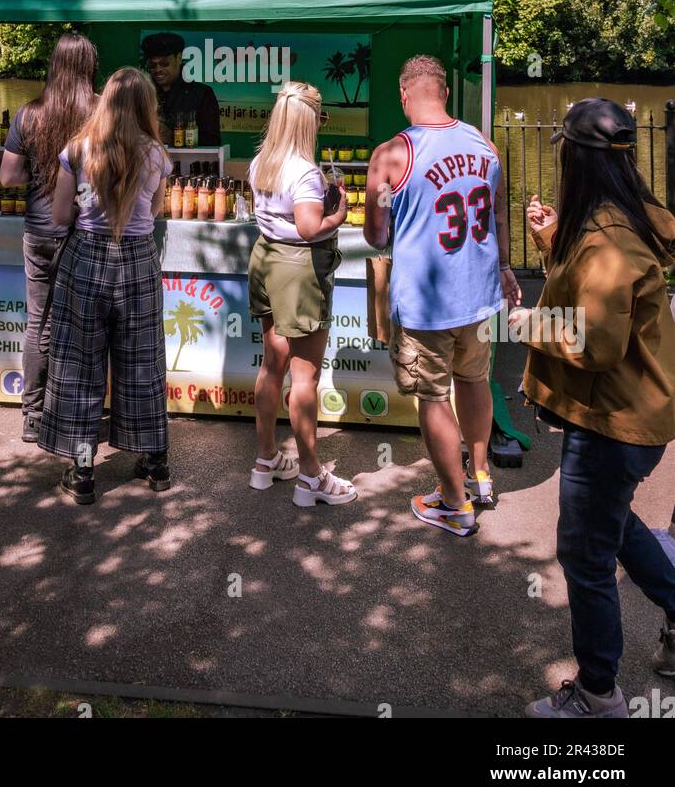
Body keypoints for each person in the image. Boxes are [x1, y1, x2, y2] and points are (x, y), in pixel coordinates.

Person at [509, 99, 675, 719]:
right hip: (630, 417)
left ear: (574, 159)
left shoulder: (610, 240)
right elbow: (597, 293)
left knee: (585, 554)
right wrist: (553, 240)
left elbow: (595, 342)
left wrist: (532, 322)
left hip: (613, 423)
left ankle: (599, 694)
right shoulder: (621, 219)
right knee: (616, 524)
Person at [364, 55, 520, 535]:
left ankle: (454, 504)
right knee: (472, 382)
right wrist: (506, 267)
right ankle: (479, 477)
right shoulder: (484, 144)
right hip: (478, 294)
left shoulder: (391, 155)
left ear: (404, 94)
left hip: (427, 304)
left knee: (433, 397)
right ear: (446, 92)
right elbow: (497, 215)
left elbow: (375, 235)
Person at [41, 67, 172, 505]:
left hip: (86, 259)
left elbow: (60, 217)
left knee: (81, 366)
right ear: (145, 106)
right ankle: (155, 462)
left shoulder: (77, 150)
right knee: (143, 363)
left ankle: (82, 472)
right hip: (136, 260)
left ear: (105, 103)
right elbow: (153, 211)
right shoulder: (156, 154)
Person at [247, 81, 356, 507]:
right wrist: (340, 214)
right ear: (310, 121)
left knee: (272, 364)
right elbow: (310, 229)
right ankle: (312, 477)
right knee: (305, 376)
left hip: (265, 260)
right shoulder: (306, 172)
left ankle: (265, 460)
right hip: (298, 268)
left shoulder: (262, 162)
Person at [0, 32, 97, 443]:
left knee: (38, 323)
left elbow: (8, 177)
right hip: (84, 231)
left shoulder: (29, 113)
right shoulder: (97, 112)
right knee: (81, 325)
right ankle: (70, 412)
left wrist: (40, 179)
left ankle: (33, 414)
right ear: (88, 68)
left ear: (53, 66)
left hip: (39, 230)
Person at [140, 31, 220, 146]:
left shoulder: (202, 94)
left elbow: (213, 141)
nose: (158, 70)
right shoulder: (142, 95)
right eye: (153, 65)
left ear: (179, 58)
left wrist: (173, 136)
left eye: (164, 64)